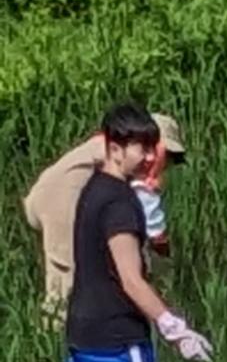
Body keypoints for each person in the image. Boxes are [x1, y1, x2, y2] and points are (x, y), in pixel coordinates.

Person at [58, 105, 214, 362]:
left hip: (83, 336)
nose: (148, 156)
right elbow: (130, 278)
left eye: (151, 147)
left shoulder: (92, 190)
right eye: (139, 148)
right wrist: (174, 327)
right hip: (118, 339)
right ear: (113, 148)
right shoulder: (120, 205)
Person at [24, 109, 185, 318]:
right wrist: (161, 250)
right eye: (170, 155)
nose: (167, 163)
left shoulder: (110, 144)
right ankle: (54, 341)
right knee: (68, 283)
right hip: (62, 203)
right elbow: (148, 211)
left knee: (82, 273)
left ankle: (60, 335)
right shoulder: (133, 155)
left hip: (44, 198)